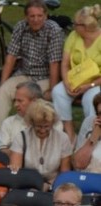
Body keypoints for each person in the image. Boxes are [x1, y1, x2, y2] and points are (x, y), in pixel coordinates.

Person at [0, 0, 64, 127]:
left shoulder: (54, 31)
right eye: (32, 16)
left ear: (46, 16)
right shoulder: (20, 27)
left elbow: (54, 63)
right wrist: (1, 83)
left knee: (27, 96)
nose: (36, 19)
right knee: (4, 91)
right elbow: (11, 57)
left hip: (45, 77)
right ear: (26, 17)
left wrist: (52, 90)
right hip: (24, 74)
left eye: (39, 16)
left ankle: (27, 135)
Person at [52, 5, 101, 141]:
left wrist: (89, 85)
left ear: (85, 26)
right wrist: (67, 83)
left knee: (91, 99)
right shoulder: (74, 36)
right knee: (58, 91)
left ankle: (91, 134)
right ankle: (69, 132)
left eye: (76, 24)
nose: (73, 26)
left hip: (96, 82)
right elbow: (65, 63)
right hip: (75, 79)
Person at [8, 100, 71, 187]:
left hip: (54, 185)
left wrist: (49, 186)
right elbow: (16, 170)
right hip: (26, 184)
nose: (42, 130)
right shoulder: (21, 137)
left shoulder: (63, 138)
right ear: (32, 123)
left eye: (46, 126)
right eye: (38, 126)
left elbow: (65, 174)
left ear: (52, 123)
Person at [0, 81, 63, 153]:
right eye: (15, 100)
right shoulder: (8, 122)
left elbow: (54, 151)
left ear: (34, 101)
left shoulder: (53, 123)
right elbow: (2, 150)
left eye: (20, 101)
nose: (15, 104)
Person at [72, 93, 101, 172]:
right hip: (89, 179)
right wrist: (93, 137)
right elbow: (78, 164)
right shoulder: (89, 123)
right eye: (100, 113)